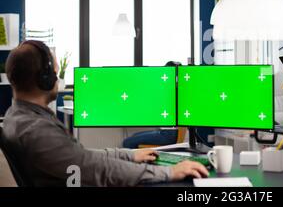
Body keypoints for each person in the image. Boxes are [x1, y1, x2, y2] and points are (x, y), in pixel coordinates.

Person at [2, 40, 209, 186]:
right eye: (55, 73)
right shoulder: (37, 131)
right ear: (45, 78)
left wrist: (128, 155)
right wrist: (169, 172)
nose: (57, 78)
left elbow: (80, 157)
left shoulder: (19, 117)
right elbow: (94, 168)